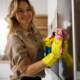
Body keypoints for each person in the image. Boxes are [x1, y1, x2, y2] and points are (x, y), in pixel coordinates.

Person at [5, 0, 63, 80]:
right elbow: (26, 70)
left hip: (38, 77)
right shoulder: (14, 38)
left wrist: (49, 42)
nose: (25, 13)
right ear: (14, 14)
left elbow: (39, 52)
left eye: (28, 9)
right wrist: (52, 56)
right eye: (20, 11)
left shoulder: (34, 31)